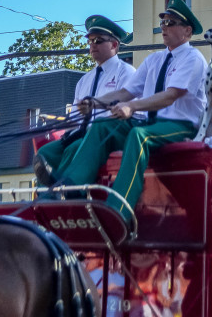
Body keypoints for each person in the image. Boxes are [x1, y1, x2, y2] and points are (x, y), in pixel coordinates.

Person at [52, 0, 207, 225]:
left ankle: (119, 210)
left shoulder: (193, 58)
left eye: (171, 23)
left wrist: (131, 107)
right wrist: (95, 102)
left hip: (180, 126)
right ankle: (72, 188)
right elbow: (126, 92)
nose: (164, 27)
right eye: (163, 22)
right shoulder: (155, 59)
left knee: (138, 136)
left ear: (187, 30)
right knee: (102, 125)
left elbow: (171, 95)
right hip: (151, 123)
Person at [33, 14, 135, 187]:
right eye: (90, 41)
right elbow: (74, 118)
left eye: (99, 41)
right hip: (81, 134)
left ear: (114, 44)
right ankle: (43, 202)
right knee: (45, 152)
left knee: (74, 148)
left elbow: (129, 113)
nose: (93, 45)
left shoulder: (126, 73)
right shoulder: (84, 80)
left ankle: (64, 195)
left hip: (107, 136)